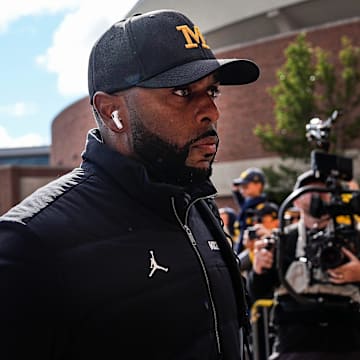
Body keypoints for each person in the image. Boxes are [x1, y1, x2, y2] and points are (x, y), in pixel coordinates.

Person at [0, 9, 260, 360]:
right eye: (183, 91)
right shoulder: (30, 241)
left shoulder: (198, 208)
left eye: (212, 90)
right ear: (111, 112)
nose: (211, 111)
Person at [248, 170, 360, 359]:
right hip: (294, 345)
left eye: (324, 190)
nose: (317, 194)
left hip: (348, 344)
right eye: (310, 189)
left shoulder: (353, 238)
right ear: (296, 200)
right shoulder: (282, 240)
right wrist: (258, 270)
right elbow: (257, 293)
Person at [232, 167, 267, 253]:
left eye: (245, 186)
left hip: (254, 250)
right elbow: (242, 203)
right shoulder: (248, 203)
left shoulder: (263, 208)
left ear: (258, 185)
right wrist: (236, 192)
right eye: (241, 187)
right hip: (241, 245)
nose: (242, 189)